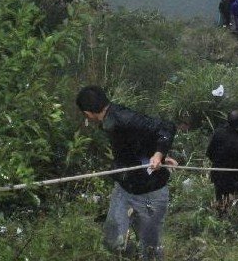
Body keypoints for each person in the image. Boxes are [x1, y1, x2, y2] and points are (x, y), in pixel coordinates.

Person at [75, 86, 178, 261]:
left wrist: (159, 154)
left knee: (151, 250)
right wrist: (152, 153)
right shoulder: (109, 121)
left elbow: (166, 128)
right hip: (124, 189)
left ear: (87, 113)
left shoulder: (124, 117)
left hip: (151, 192)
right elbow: (138, 139)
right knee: (112, 240)